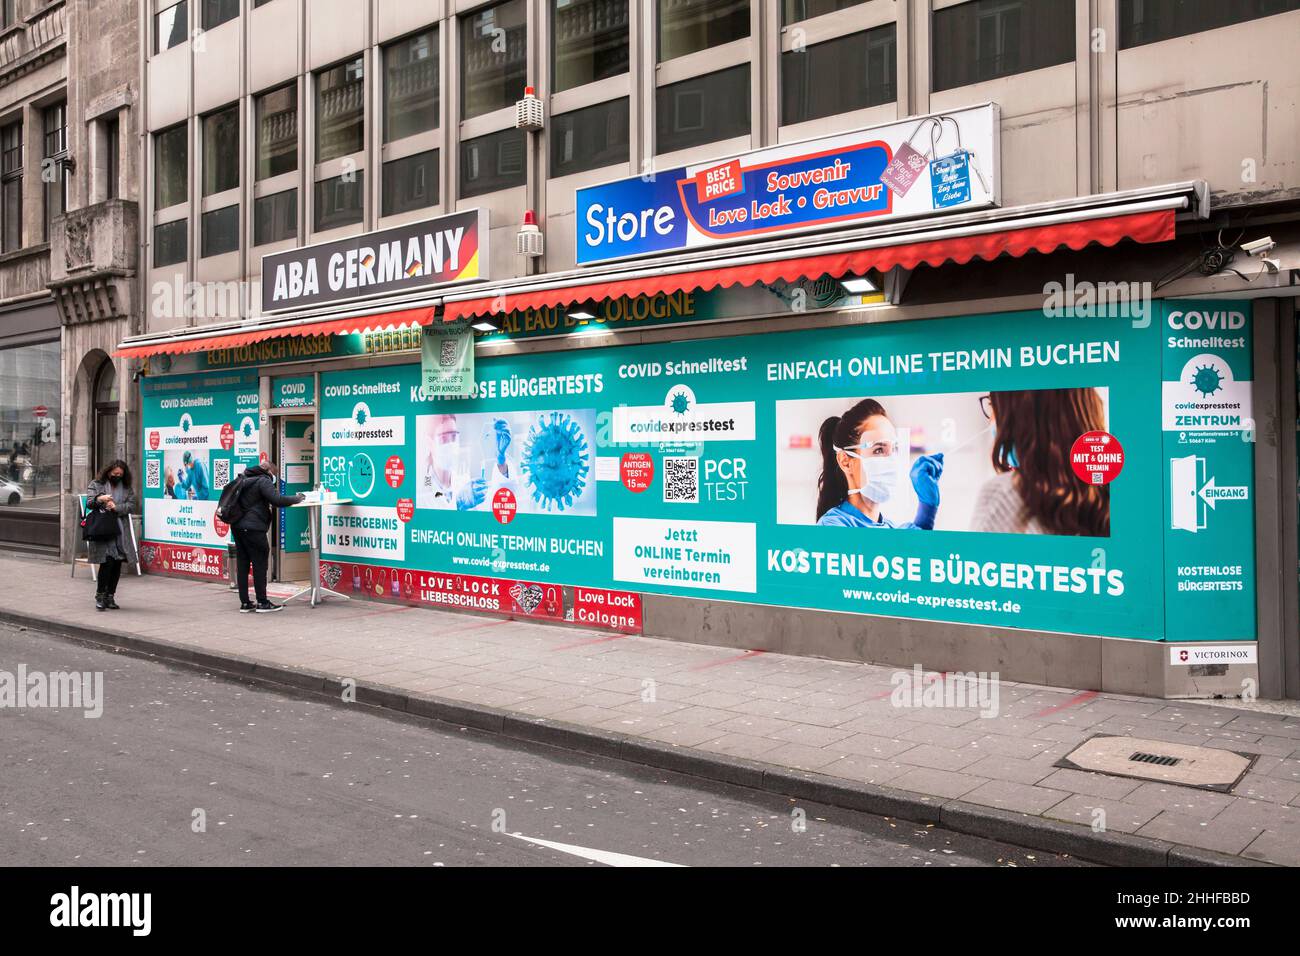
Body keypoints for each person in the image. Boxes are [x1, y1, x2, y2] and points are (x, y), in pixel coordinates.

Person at [970, 389, 1110, 536]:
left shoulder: (1003, 495)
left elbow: (971, 557)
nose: (991, 419)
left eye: (994, 405)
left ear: (1020, 414)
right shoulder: (1113, 497)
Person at [816, 398, 945, 528]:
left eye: (893, 449)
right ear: (845, 461)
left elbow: (910, 546)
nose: (891, 461)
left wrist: (927, 506)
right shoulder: (832, 525)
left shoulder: (891, 528)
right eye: (878, 450)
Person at [229, 459, 304, 612]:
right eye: (274, 475)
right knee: (260, 564)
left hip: (237, 526)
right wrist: (297, 498)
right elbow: (277, 500)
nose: (274, 478)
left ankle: (245, 603)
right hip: (254, 528)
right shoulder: (263, 481)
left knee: (243, 563)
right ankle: (262, 602)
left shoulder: (243, 478)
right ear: (269, 471)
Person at [421, 414, 514, 510]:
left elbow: (493, 506)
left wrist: (501, 459)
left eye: (453, 436)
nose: (450, 444)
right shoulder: (423, 487)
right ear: (429, 443)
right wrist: (458, 504)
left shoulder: (463, 482)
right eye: (443, 438)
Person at [85, 460, 138, 611]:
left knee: (117, 564)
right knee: (107, 562)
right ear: (108, 472)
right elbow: (89, 502)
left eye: (120, 475)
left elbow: (131, 505)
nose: (117, 476)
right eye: (115, 474)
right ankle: (100, 596)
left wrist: (116, 507)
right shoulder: (96, 484)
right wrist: (100, 500)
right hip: (103, 529)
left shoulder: (127, 487)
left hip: (120, 531)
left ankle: (110, 596)